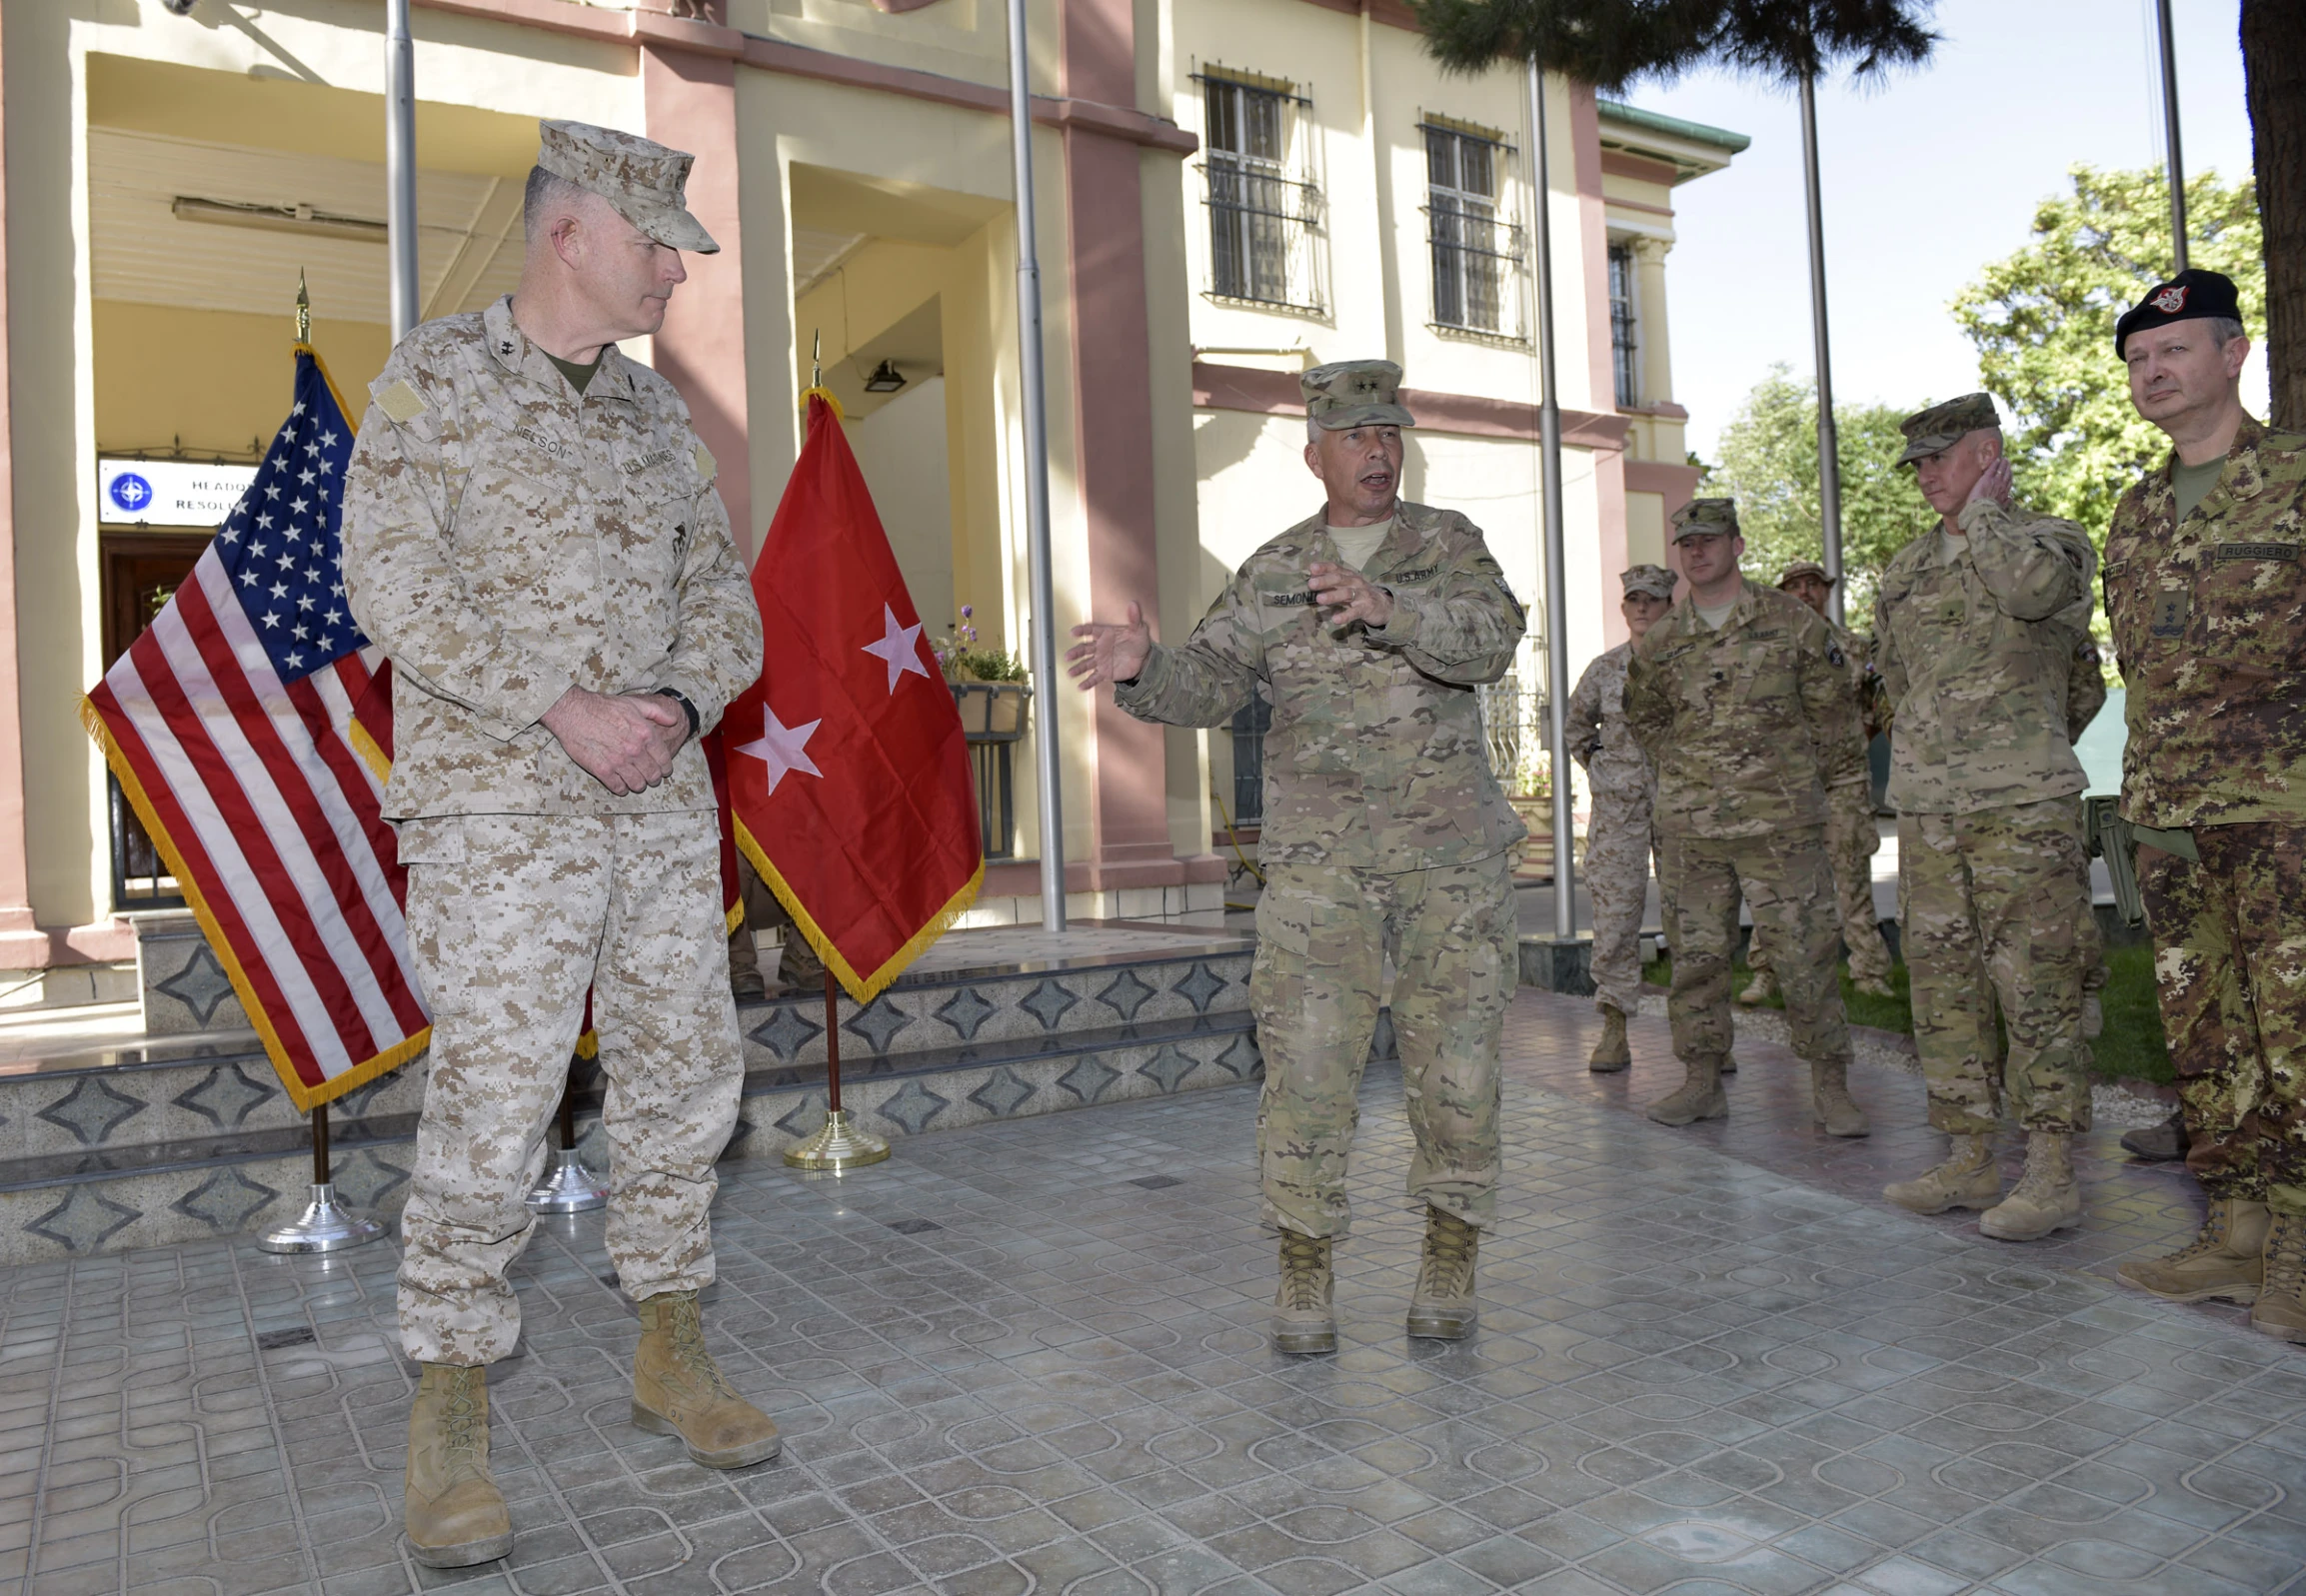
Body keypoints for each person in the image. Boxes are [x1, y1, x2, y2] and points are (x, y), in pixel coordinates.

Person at [342, 121, 777, 1569]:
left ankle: (671, 1347)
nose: (674, 272)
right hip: (497, 806)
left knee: (680, 1071)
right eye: (658, 244)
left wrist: (675, 699)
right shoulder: (436, 378)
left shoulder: (660, 421)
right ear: (570, 233)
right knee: (499, 1090)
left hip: (656, 804)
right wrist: (558, 705)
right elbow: (388, 579)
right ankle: (450, 1408)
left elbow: (726, 603)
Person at [1066, 360, 1525, 1355]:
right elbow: (1211, 684)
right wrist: (1149, 670)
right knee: (1307, 1071)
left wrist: (1392, 609)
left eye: (1390, 432)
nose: (1379, 449)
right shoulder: (1273, 569)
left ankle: (1451, 1247)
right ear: (1315, 454)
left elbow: (1495, 639)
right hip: (1321, 874)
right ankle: (1305, 1262)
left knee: (1458, 1068)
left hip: (1449, 865)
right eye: (1357, 436)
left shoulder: (1448, 544)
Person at [2097, 270, 2306, 1342]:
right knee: (2207, 1036)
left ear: (2232, 354)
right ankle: (2235, 1234)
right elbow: (2145, 665)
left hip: (2283, 815)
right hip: (2171, 816)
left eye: (2173, 352)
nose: (2153, 372)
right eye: (2137, 359)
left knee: (2297, 1036)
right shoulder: (2133, 513)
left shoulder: (2294, 482)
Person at [1869, 394, 2098, 1242]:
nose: (1926, 476)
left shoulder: (2050, 541)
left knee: (2036, 983)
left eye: (1940, 457)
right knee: (1942, 987)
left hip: (2021, 807)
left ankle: (2049, 1171)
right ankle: (1968, 1155)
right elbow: (1895, 679)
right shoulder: (1903, 569)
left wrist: (1988, 518)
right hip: (1929, 808)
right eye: (1917, 464)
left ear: (1988, 453)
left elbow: (2040, 608)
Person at [1624, 499, 1872, 1136]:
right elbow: (1645, 718)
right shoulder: (1664, 640)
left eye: (1709, 540)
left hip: (1780, 828)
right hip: (1691, 832)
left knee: (1805, 957)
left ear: (1737, 545)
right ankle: (1702, 1082)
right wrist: (1689, 771)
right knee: (1696, 960)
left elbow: (1835, 725)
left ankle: (1831, 1086)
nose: (1697, 551)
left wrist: (1810, 791)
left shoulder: (1792, 623)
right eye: (1687, 544)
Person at [1741, 560, 1895, 1004]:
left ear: (1826, 591)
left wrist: (1854, 739)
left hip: (1844, 781)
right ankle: (1766, 972)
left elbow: (1877, 703)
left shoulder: (1852, 646)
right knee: (1775, 884)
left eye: (1813, 585)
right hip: (1786, 785)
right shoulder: (1766, 650)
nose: (1805, 592)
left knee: (1851, 880)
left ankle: (1868, 973)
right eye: (1795, 586)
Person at [1566, 565, 1675, 1071]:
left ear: (1669, 605)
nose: (1642, 608)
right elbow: (1575, 725)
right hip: (1620, 813)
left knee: (1696, 920)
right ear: (1623, 606)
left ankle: (1705, 1034)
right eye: (1634, 599)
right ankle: (1614, 1027)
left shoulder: (1689, 663)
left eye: (1652, 599)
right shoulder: (1605, 668)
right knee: (1614, 920)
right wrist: (1603, 767)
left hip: (1681, 807)